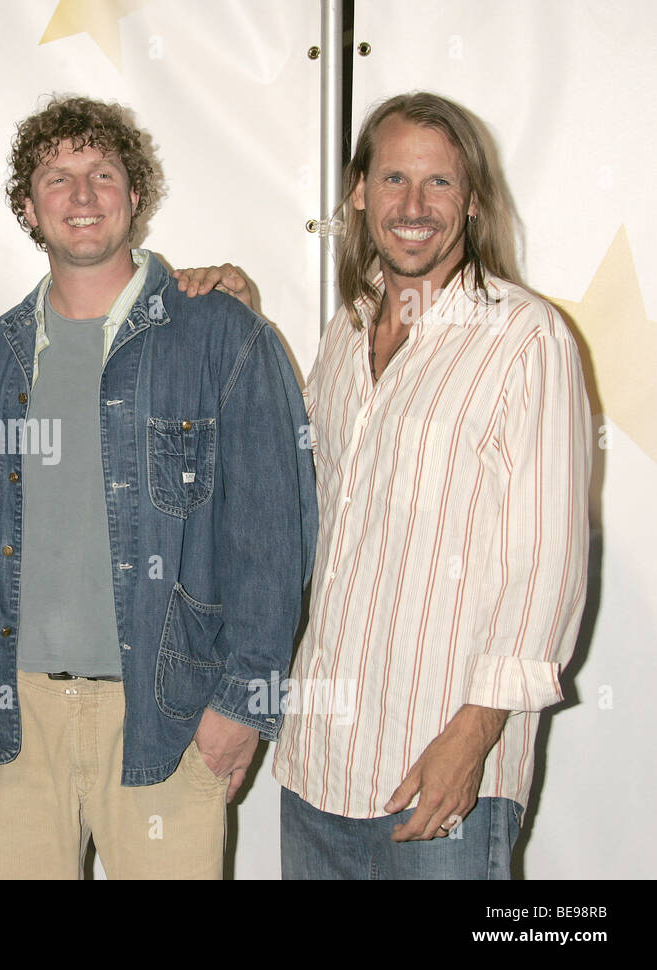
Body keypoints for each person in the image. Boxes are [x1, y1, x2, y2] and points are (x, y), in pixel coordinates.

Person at [0, 95, 317, 879]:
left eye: (101, 173)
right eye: (56, 176)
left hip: (165, 713)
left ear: (135, 195)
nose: (80, 194)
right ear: (28, 208)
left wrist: (243, 704)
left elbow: (276, 535)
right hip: (12, 712)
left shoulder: (223, 337)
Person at [272, 92, 591, 879]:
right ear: (358, 192)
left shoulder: (525, 337)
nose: (413, 207)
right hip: (316, 765)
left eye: (440, 184)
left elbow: (546, 562)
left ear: (473, 200)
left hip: (443, 774)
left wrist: (473, 737)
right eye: (393, 180)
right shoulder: (345, 333)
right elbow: (304, 504)